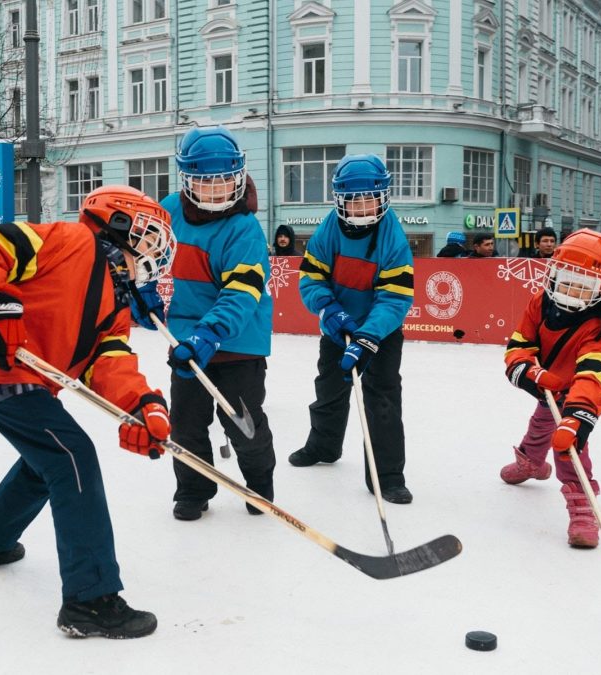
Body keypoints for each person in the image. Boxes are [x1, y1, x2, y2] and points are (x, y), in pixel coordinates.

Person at [0, 184, 175, 639]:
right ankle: (90, 599)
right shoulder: (69, 242)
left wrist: (143, 405)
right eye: (149, 239)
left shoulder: (115, 303)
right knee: (71, 456)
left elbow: (109, 363)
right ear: (119, 224)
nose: (152, 254)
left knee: (47, 461)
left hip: (30, 382)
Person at [160, 125, 276, 521]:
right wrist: (137, 291)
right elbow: (141, 257)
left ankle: (260, 485)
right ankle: (193, 489)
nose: (216, 190)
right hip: (186, 338)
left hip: (238, 338)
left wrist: (210, 333)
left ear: (239, 176)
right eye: (204, 182)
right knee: (186, 423)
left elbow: (242, 293)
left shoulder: (244, 229)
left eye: (225, 180)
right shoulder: (168, 212)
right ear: (187, 180)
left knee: (242, 423)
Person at [289, 154, 415, 504]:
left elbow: (395, 298)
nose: (362, 208)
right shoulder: (329, 228)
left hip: (380, 334)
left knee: (382, 400)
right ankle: (323, 446)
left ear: (383, 196)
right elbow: (311, 277)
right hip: (338, 327)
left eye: (369, 199)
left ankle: (387, 476)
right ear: (339, 199)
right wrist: (329, 310)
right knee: (329, 389)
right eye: (353, 201)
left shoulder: (393, 238)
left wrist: (368, 336)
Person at [500, 229, 601, 548]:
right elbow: (520, 344)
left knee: (568, 440)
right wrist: (529, 369)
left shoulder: (600, 329)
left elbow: (592, 376)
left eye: (584, 284)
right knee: (544, 416)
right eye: (566, 277)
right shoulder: (539, 302)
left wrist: (577, 417)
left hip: (600, 384)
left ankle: (583, 506)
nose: (571, 289)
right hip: (555, 378)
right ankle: (531, 460)